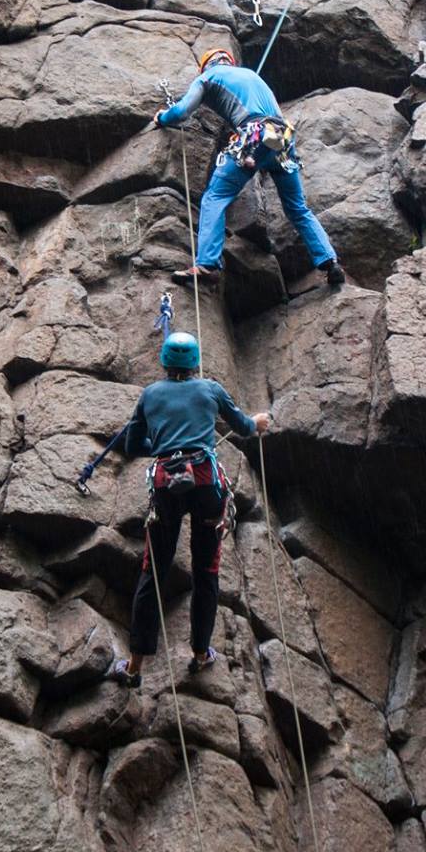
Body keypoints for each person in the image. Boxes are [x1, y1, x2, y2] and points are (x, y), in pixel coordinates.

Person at [90, 332, 270, 687]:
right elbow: (244, 427)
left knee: (153, 572)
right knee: (206, 571)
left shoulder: (150, 395)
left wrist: (160, 443)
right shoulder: (210, 390)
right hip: (205, 486)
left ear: (164, 362)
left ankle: (135, 667)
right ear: (194, 364)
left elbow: (131, 444)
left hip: (166, 487)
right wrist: (259, 422)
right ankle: (201, 654)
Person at [156, 48, 345, 290]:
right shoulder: (253, 77)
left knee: (215, 197)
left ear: (206, 66)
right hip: (283, 140)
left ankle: (206, 264)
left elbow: (181, 112)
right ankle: (330, 262)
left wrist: (162, 118)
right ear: (229, 61)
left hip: (254, 137)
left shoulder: (207, 78)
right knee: (297, 208)